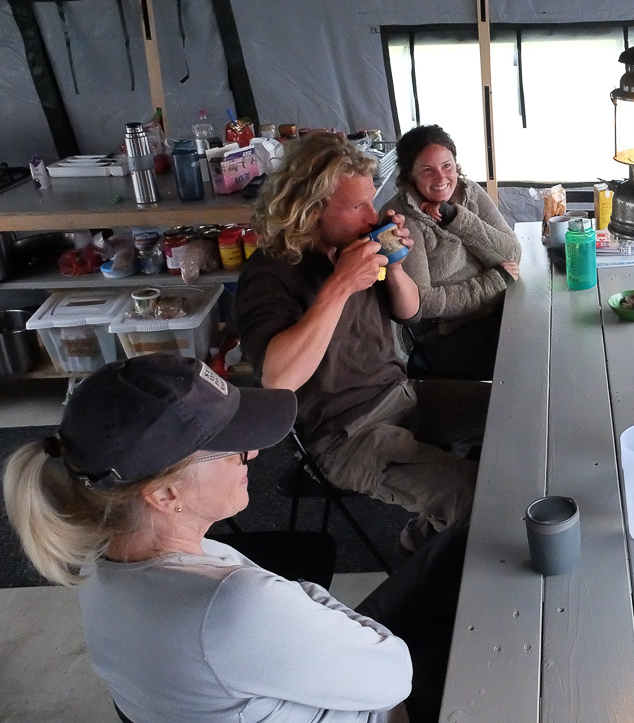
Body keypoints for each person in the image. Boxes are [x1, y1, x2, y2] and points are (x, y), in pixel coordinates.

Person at [1, 355, 468, 723]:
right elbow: (394, 676)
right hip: (383, 709)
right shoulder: (233, 604)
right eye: (229, 449)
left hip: (272, 657)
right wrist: (307, 599)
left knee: (457, 547)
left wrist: (300, 604)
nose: (252, 452)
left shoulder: (101, 565)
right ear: (164, 493)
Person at [234, 131, 487, 552]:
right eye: (357, 206)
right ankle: (440, 561)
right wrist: (339, 285)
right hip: (343, 435)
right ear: (310, 211)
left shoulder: (355, 244)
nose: (374, 216)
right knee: (482, 497)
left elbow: (408, 312)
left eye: (372, 200)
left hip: (401, 394)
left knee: (514, 413)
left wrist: (397, 267)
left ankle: (428, 530)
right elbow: (278, 380)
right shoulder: (269, 275)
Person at [389, 124, 521, 380]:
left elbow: (511, 252)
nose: (441, 179)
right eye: (427, 170)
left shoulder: (468, 192)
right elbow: (421, 304)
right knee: (526, 362)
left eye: (447, 166)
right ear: (409, 174)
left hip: (493, 311)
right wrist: (494, 281)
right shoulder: (399, 221)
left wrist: (456, 219)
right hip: (444, 335)